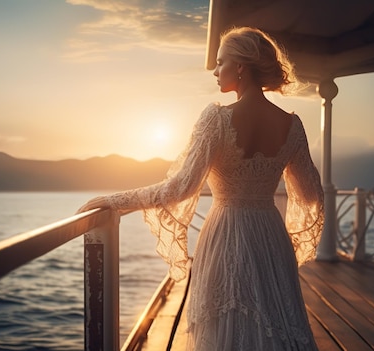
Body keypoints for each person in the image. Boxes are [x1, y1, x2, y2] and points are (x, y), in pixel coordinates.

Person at [78, 27, 324, 351]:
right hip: (269, 237)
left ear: (240, 67)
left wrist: (117, 200)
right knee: (274, 326)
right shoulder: (292, 125)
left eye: (220, 62)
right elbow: (309, 195)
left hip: (225, 234)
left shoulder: (217, 119)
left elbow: (180, 187)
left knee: (225, 326)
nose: (214, 71)